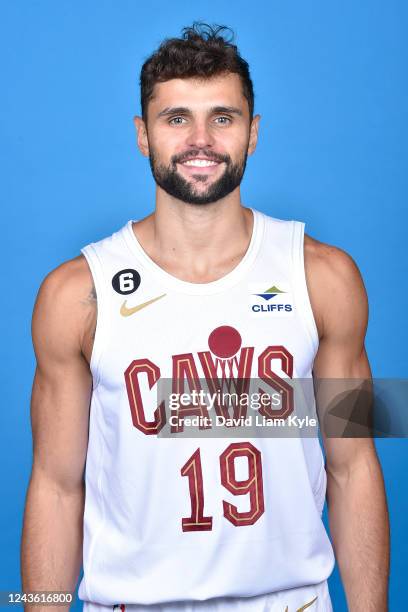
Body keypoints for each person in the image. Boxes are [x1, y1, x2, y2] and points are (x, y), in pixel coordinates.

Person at [21, 23, 390, 612]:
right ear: (143, 135)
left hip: (289, 601)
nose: (201, 140)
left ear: (253, 132)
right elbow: (56, 487)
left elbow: (354, 465)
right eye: (176, 119)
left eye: (222, 117)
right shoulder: (76, 294)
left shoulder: (325, 276)